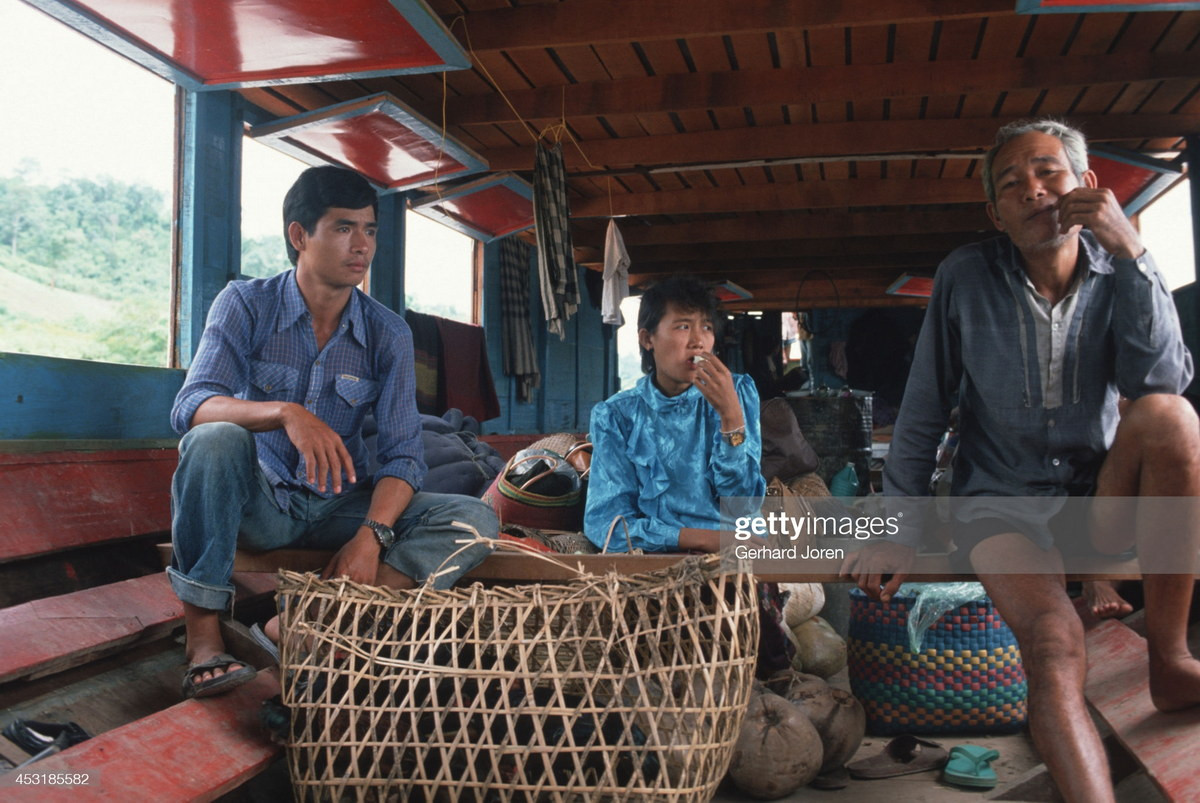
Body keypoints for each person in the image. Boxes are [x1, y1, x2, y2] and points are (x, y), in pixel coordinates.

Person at [842, 118, 1200, 803]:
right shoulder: (965, 277)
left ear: (1087, 186)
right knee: (1054, 645)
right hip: (998, 506)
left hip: (1096, 500)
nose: (1033, 190)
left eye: (1048, 173)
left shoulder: (1117, 270)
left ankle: (1171, 658)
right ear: (995, 214)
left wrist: (1132, 253)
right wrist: (897, 524)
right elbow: (921, 411)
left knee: (1172, 416)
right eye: (1012, 184)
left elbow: (1161, 382)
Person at [167, 166, 498, 699]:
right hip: (262, 508)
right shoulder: (246, 304)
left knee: (475, 517)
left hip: (339, 510)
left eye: (369, 230)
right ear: (300, 236)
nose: (361, 246)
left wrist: (371, 536)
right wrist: (286, 413)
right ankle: (203, 638)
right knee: (213, 439)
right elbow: (193, 405)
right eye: (344, 229)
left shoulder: (386, 331)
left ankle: (315, 619)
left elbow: (404, 458)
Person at [584, 275, 766, 553]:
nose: (698, 342)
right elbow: (606, 525)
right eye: (683, 326)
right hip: (659, 559)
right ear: (648, 339)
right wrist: (705, 539)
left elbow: (745, 504)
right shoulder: (617, 415)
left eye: (706, 327)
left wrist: (731, 418)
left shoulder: (737, 391)